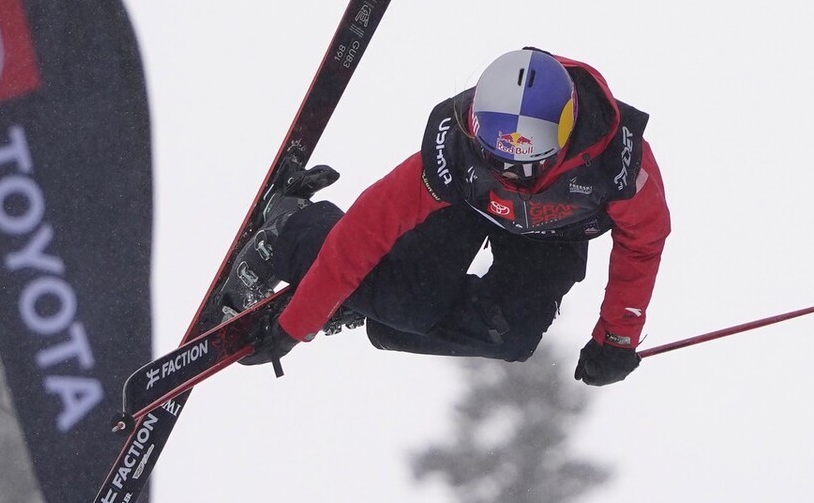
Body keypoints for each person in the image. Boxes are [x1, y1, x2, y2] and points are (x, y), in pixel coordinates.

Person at [221, 47, 671, 386]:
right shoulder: (456, 151)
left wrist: (617, 338)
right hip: (471, 204)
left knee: (511, 337)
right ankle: (287, 232)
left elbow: (642, 246)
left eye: (525, 162)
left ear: (565, 136)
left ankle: (373, 301)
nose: (509, 173)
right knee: (407, 302)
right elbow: (368, 228)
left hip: (554, 232)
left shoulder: (620, 170)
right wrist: (296, 325)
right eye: (495, 156)